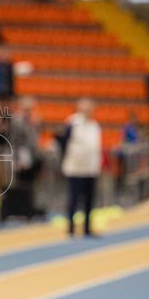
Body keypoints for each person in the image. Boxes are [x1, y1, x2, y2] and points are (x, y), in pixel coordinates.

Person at [59, 98, 102, 237]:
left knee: (89, 200)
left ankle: (87, 228)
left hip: (91, 168)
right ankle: (71, 227)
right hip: (75, 168)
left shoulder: (95, 125)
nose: (88, 110)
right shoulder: (72, 122)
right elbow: (63, 143)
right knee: (74, 198)